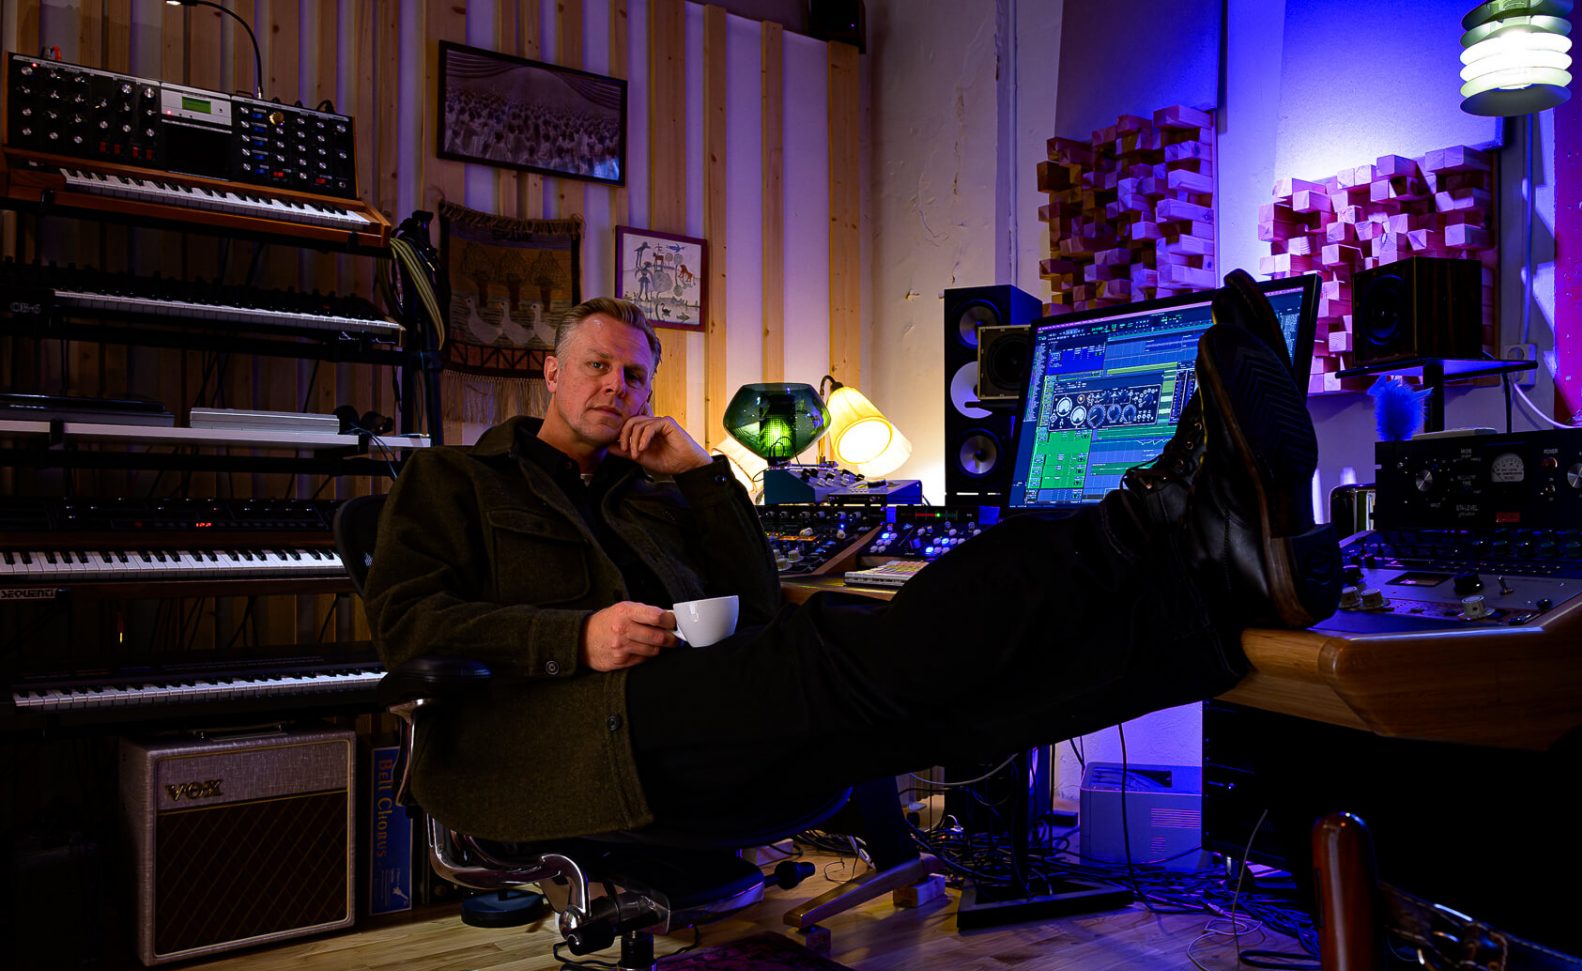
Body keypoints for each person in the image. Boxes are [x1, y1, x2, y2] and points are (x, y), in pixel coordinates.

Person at [364, 276, 1339, 843]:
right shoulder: (454, 480)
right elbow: (410, 631)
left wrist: (703, 476)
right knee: (840, 640)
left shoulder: (650, 490)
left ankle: (1210, 599)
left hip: (678, 714)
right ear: (548, 371)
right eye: (595, 366)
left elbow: (750, 605)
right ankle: (1163, 527)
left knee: (940, 706)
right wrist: (573, 636)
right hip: (548, 738)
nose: (616, 387)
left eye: (635, 373)